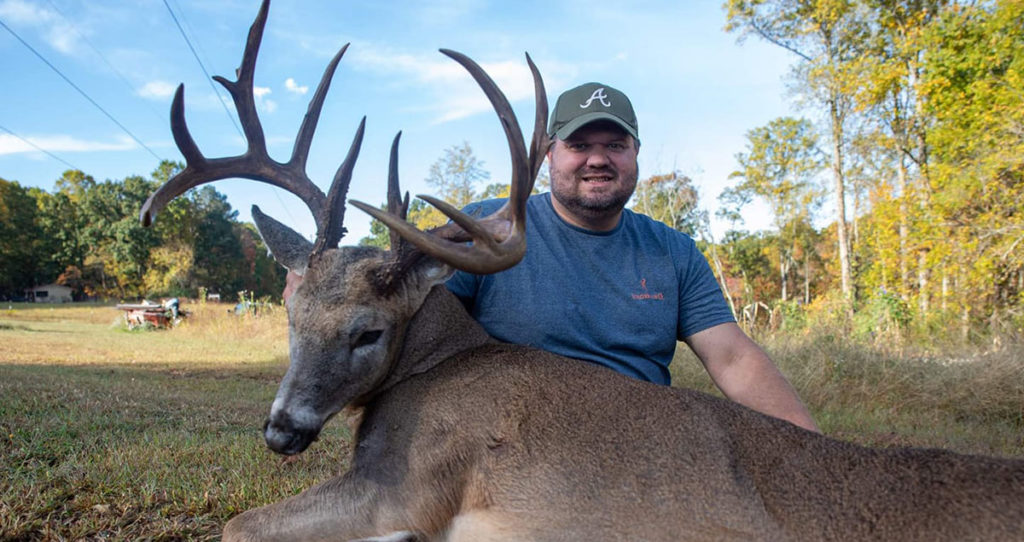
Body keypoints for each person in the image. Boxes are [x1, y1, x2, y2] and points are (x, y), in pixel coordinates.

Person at [445, 82, 819, 432]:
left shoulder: (673, 252)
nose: (597, 159)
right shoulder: (487, 227)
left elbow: (733, 359)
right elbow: (420, 330)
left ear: (635, 152)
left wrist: (810, 447)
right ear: (549, 155)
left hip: (640, 445)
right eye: (578, 145)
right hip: (512, 437)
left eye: (615, 145)